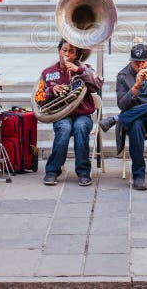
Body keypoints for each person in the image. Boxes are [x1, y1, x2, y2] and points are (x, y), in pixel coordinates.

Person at [99, 43, 147, 191]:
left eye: (143, 62)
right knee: (136, 124)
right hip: (136, 120)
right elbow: (122, 104)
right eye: (136, 62)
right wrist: (135, 87)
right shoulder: (123, 76)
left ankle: (118, 119)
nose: (140, 65)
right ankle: (139, 176)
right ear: (130, 60)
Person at [35, 39, 103, 187]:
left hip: (83, 115)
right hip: (61, 115)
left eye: (71, 51)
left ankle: (84, 173)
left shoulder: (86, 69)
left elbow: (98, 84)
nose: (67, 54)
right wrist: (51, 90)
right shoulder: (48, 73)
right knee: (64, 128)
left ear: (77, 54)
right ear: (59, 51)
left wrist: (79, 70)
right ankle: (52, 171)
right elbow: (39, 98)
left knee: (80, 127)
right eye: (64, 50)